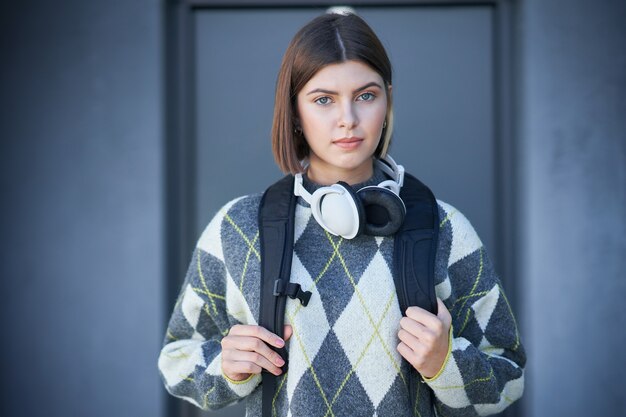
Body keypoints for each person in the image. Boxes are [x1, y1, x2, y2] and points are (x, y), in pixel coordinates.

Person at [158, 10, 525, 417]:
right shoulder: (238, 228)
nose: (348, 120)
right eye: (323, 100)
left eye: (366, 96)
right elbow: (177, 361)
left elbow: (509, 376)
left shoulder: (445, 228)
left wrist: (446, 364)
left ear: (388, 99)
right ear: (295, 111)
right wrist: (226, 368)